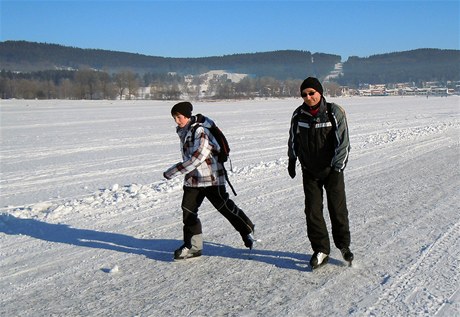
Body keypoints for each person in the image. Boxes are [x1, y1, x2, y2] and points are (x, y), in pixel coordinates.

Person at [163, 101, 255, 260]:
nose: (177, 121)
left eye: (179, 117)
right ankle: (193, 247)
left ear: (187, 116)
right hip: (193, 180)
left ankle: (246, 229)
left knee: (224, 207)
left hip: (211, 178)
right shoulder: (184, 131)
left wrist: (172, 172)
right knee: (188, 211)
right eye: (174, 118)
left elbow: (198, 158)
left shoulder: (200, 131)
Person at [287, 77, 354, 269]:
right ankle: (321, 249)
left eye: (311, 93)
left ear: (320, 92)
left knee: (337, 210)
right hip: (310, 171)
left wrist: (337, 167)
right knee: (312, 212)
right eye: (304, 94)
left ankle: (343, 246)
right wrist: (292, 159)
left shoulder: (334, 112)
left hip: (332, 170)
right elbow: (293, 139)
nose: (308, 97)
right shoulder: (299, 114)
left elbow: (344, 143)